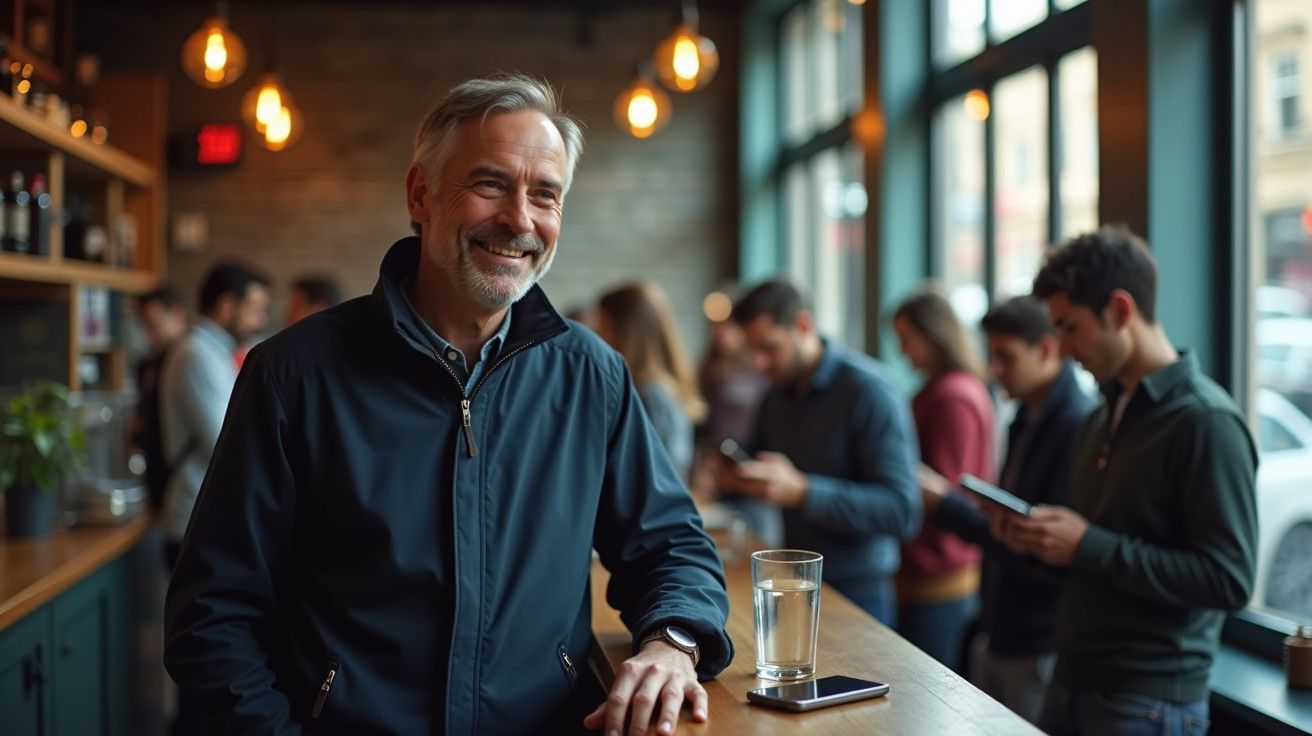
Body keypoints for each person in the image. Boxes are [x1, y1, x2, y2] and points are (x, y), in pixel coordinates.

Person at [164, 75, 732, 736]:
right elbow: (211, 615)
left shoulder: (592, 375)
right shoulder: (295, 375)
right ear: (420, 195)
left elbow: (670, 546)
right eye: (490, 183)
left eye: (544, 194)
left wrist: (673, 642)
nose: (520, 219)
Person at [997, 226, 1257, 735]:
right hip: (1071, 678)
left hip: (1148, 699)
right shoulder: (1100, 416)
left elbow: (1229, 579)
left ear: (1120, 310)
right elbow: (1098, 556)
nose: (1064, 350)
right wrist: (1038, 544)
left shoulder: (1205, 422)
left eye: (1070, 328)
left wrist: (1089, 545)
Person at [921, 295, 1093, 722]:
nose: (995, 369)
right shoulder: (1025, 416)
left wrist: (947, 506)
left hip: (1036, 637)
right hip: (1000, 625)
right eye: (991, 356)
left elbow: (1033, 548)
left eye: (1007, 357)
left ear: (1047, 350)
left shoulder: (1076, 423)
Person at [716, 279, 920, 624]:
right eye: (753, 351)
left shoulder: (869, 391)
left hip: (859, 593)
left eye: (769, 348)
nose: (760, 364)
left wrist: (803, 492)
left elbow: (901, 511)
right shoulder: (776, 395)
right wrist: (736, 477)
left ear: (803, 326)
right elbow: (759, 461)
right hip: (792, 581)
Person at [890, 289, 996, 670]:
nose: (902, 351)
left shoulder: (953, 396)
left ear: (932, 333)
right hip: (929, 571)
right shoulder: (945, 390)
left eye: (906, 339)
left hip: (940, 575)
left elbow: (945, 489)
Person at [159, 262, 270, 569]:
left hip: (206, 518)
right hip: (196, 523)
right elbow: (229, 440)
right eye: (254, 309)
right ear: (226, 305)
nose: (260, 320)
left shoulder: (211, 352)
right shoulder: (196, 354)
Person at [595, 280, 707, 480]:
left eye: (603, 326)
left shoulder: (649, 395)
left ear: (627, 332)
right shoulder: (663, 388)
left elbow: (642, 474)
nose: (597, 336)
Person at [130, 287, 190, 511]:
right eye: (143, 325)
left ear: (177, 315)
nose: (147, 333)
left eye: (153, 324)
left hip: (181, 483)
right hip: (158, 480)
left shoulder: (189, 361)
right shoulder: (151, 362)